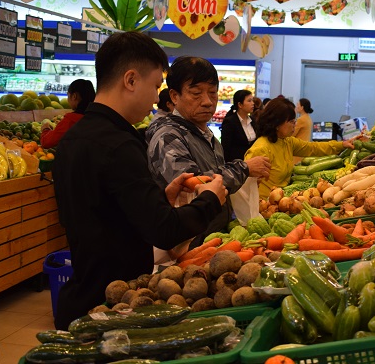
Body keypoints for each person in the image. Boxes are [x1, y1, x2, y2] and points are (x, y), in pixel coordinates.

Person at [52, 33, 227, 330]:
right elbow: (163, 230)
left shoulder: (74, 138)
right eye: (156, 85)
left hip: (83, 293)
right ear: (131, 80)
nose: (155, 98)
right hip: (114, 305)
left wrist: (162, 197)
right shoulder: (119, 145)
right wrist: (210, 199)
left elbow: (107, 212)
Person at [146, 56, 271, 247]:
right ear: (174, 96)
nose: (207, 101)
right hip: (188, 245)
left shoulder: (204, 131)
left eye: (213, 93)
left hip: (214, 237)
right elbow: (196, 187)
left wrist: (243, 179)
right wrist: (243, 170)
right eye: (196, 94)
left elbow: (215, 175)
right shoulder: (168, 137)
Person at [245, 98, 355, 199]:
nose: (295, 124)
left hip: (281, 201)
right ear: (277, 123)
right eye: (291, 121)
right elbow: (246, 185)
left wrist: (342, 145)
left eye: (295, 121)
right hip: (263, 205)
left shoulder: (286, 141)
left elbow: (312, 147)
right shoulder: (260, 149)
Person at [40, 79, 95, 148]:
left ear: (74, 96)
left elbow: (46, 142)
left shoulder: (71, 120)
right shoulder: (98, 117)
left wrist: (45, 129)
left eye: (68, 95)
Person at [220, 89, 257, 162]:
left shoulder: (253, 121)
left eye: (252, 100)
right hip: (237, 165)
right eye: (249, 101)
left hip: (253, 162)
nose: (253, 103)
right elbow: (226, 148)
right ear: (240, 104)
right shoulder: (230, 122)